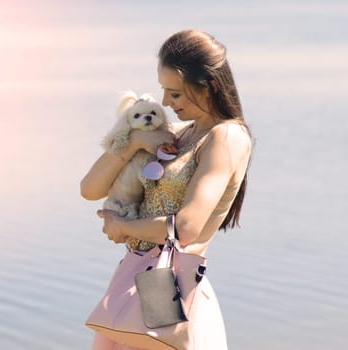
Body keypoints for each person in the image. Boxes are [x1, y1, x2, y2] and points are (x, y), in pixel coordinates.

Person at [80, 29, 252, 350]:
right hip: (135, 278)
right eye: (164, 91)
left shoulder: (225, 138)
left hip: (169, 288)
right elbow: (90, 188)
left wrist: (122, 226)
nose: (165, 103)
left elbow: (185, 229)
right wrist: (134, 143)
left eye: (175, 94)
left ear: (209, 87)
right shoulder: (174, 133)